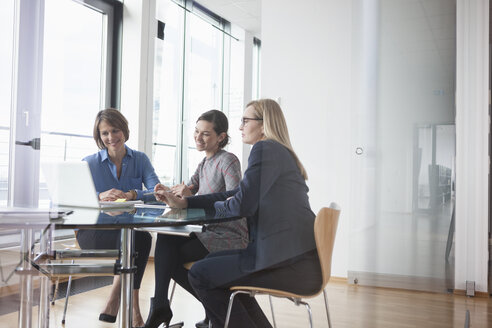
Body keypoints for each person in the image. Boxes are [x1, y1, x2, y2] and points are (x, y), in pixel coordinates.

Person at [153, 99, 322, 328]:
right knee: (213, 266)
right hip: (294, 258)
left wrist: (227, 202)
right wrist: (187, 203)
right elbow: (236, 195)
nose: (240, 127)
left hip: (286, 262)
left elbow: (241, 204)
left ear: (263, 125)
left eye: (245, 120)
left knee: (201, 274)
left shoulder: (265, 149)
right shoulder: (278, 152)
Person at [144, 110, 247, 328]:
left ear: (221, 137)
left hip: (228, 234)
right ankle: (161, 305)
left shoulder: (228, 160)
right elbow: (187, 190)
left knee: (167, 259)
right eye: (196, 131)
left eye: (206, 134)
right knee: (166, 239)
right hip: (207, 232)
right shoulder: (204, 164)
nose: (198, 138)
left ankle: (213, 306)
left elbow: (234, 196)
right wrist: (165, 193)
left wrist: (192, 198)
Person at [76, 108, 159, 328]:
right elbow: (70, 198)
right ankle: (133, 308)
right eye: (104, 133)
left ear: (124, 130)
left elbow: (157, 193)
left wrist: (133, 194)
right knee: (137, 242)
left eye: (115, 130)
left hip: (128, 233)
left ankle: (115, 297)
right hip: (95, 233)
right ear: (99, 136)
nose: (111, 137)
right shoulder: (89, 162)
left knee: (139, 240)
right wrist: (98, 196)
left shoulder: (140, 159)